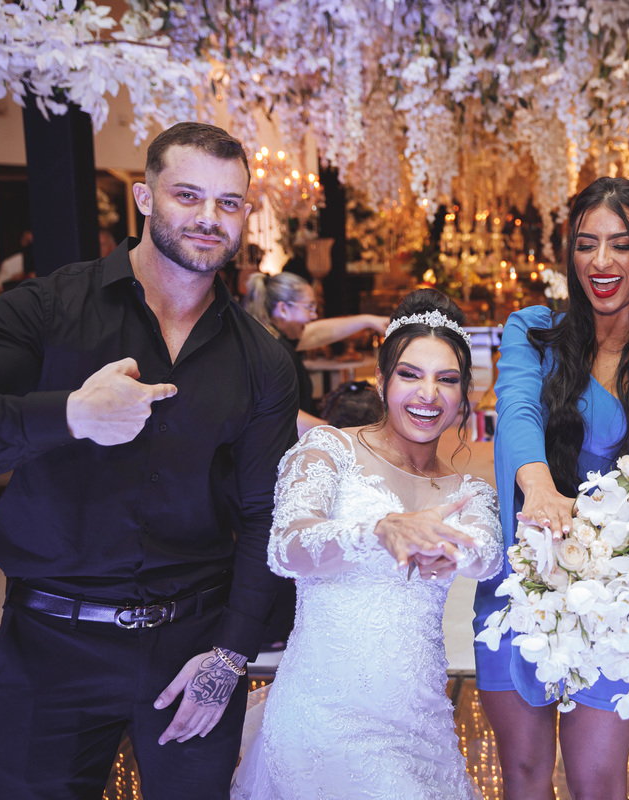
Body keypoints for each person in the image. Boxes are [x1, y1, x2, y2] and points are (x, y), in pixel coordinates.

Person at [0, 122, 299, 798]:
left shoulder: (262, 358)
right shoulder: (47, 311)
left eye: (229, 203)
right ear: (143, 197)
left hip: (193, 649)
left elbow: (267, 512)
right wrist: (70, 415)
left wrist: (231, 655)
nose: (210, 218)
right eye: (188, 195)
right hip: (48, 647)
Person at [474, 176, 629, 798]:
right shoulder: (533, 330)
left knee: (597, 780)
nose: (600, 262)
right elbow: (518, 412)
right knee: (523, 774)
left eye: (620, 245)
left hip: (608, 602)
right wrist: (539, 490)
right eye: (585, 244)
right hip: (517, 574)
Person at [230, 289, 502, 799]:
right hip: (323, 718)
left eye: (447, 380)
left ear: (465, 394)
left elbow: (487, 557)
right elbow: (285, 547)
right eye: (410, 375)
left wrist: (455, 551)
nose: (429, 395)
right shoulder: (328, 449)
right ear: (381, 381)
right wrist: (378, 530)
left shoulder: (469, 493)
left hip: (421, 726)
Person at [244, 270, 389, 435]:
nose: (313, 316)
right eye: (309, 307)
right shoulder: (269, 353)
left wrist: (369, 320)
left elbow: (318, 332)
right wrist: (340, 433)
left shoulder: (272, 339)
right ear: (283, 308)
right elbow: (276, 411)